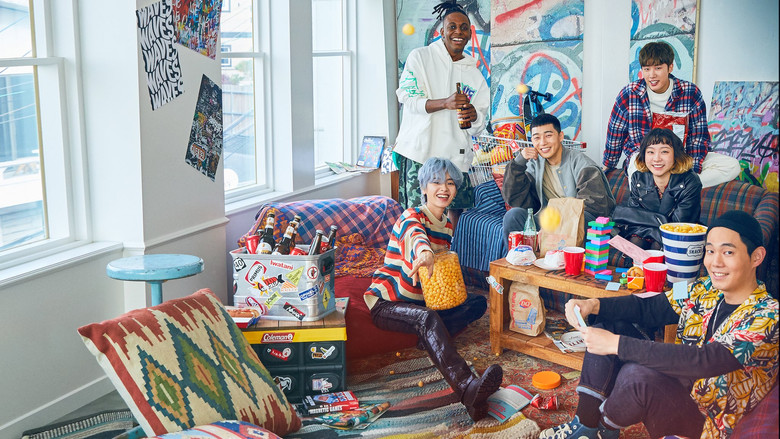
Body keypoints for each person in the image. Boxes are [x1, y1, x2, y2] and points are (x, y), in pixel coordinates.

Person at [540, 210, 778, 439]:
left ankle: (604, 428)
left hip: (715, 425)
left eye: (728, 252)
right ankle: (585, 426)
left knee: (637, 376)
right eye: (710, 251)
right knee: (608, 326)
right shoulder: (703, 288)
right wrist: (593, 304)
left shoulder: (769, 316)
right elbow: (650, 307)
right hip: (684, 392)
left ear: (756, 257)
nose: (715, 262)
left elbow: (705, 361)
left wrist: (617, 345)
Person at [364, 157, 502, 421]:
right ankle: (467, 387)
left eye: (450, 183)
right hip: (388, 303)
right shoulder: (411, 216)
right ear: (424, 187)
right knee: (427, 319)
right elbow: (416, 237)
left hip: (420, 301)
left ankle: (427, 339)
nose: (444, 188)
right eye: (436, 182)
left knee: (476, 303)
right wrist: (425, 253)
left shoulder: (447, 224)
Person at [393, 1, 489, 226]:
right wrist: (445, 103)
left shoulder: (475, 76)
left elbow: (479, 125)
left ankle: (450, 250)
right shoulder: (420, 57)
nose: (458, 32)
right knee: (415, 218)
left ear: (470, 33)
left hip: (455, 158)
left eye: (463, 27)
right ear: (442, 32)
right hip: (419, 153)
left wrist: (474, 116)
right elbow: (407, 98)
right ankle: (418, 250)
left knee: (455, 219)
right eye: (452, 27)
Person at [603, 41, 739, 188]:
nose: (652, 75)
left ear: (670, 67)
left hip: (681, 155)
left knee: (732, 165)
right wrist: (608, 165)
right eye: (647, 69)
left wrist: (691, 169)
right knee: (636, 172)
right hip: (644, 157)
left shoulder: (690, 92)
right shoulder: (629, 94)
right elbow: (615, 133)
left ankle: (679, 186)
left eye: (658, 68)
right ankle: (670, 188)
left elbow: (698, 137)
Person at [502, 113, 615, 245]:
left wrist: (560, 223)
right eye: (537, 137)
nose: (543, 142)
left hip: (578, 222)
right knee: (513, 215)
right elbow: (514, 198)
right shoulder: (534, 164)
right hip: (548, 222)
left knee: (584, 218)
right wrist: (519, 162)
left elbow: (594, 205)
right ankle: (521, 257)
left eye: (548, 135)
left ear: (560, 136)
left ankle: (560, 255)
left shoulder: (582, 164)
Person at [612, 127, 702, 254]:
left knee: (658, 245)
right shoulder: (638, 178)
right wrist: (658, 222)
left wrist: (649, 223)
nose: (656, 158)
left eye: (664, 151)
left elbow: (677, 226)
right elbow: (633, 221)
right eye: (650, 152)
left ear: (676, 155)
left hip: (679, 238)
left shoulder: (690, 181)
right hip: (644, 235)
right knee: (635, 242)